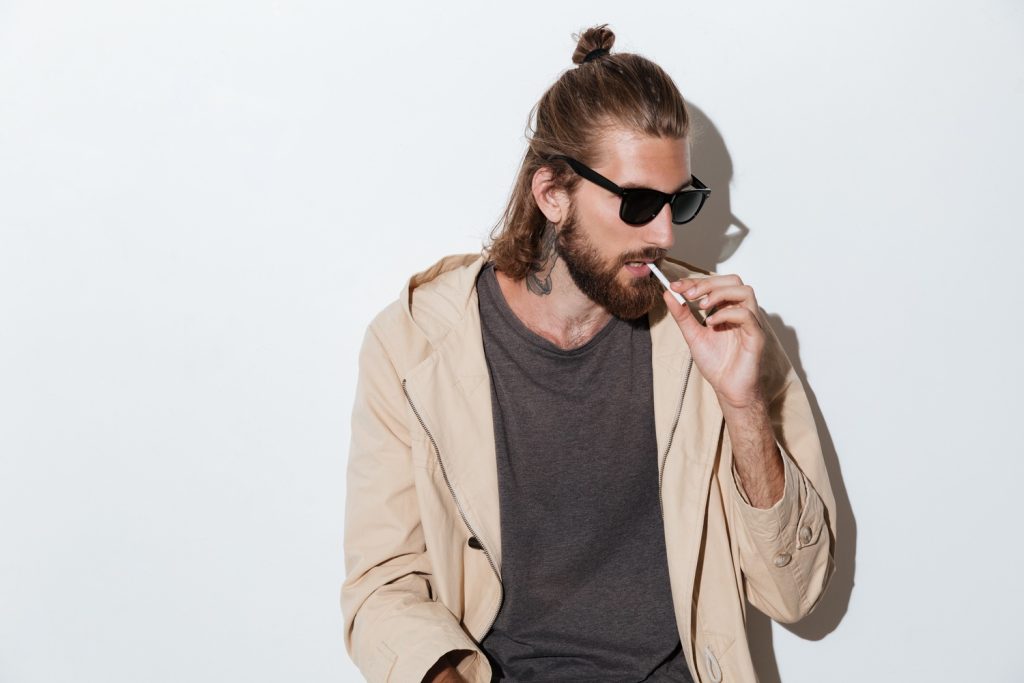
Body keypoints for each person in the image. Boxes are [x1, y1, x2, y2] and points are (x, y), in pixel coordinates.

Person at [341, 24, 837, 683]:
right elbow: (382, 586)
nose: (663, 232)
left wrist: (743, 407)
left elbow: (794, 593)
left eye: (679, 201)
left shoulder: (717, 334)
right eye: (637, 202)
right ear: (552, 194)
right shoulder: (413, 345)